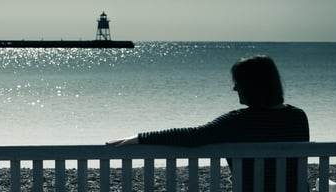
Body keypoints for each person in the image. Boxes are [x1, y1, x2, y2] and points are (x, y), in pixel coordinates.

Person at [107, 55, 309, 191]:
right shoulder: (298, 117)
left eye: (238, 82)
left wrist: (139, 138)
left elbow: (193, 136)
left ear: (251, 86)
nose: (234, 88)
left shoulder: (237, 121)